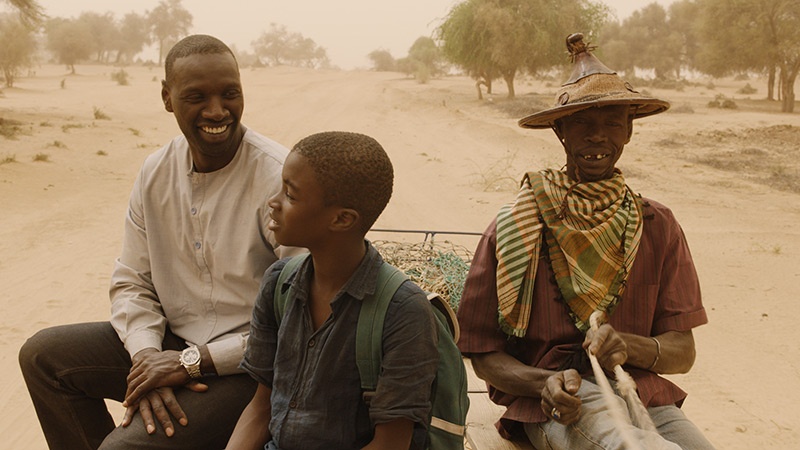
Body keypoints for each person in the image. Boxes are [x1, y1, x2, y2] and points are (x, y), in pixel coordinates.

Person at [19, 34, 299, 449]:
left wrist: (188, 364)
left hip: (248, 368)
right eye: (197, 97)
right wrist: (147, 359)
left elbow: (299, 317)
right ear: (167, 98)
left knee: (122, 447)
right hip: (170, 344)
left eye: (230, 93)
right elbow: (133, 281)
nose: (217, 110)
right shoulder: (155, 172)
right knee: (44, 357)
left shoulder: (278, 177)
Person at [456, 33, 716, 450]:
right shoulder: (517, 224)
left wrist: (628, 346)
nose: (598, 136)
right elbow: (484, 354)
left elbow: (682, 352)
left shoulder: (657, 224)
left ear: (629, 130)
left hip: (642, 394)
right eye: (582, 123)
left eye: (612, 122)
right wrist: (544, 382)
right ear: (560, 131)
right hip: (563, 404)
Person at [225, 131, 439, 450]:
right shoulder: (279, 283)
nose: (273, 202)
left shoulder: (403, 311)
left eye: (290, 195)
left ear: (342, 219)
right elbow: (261, 408)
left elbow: (391, 443)